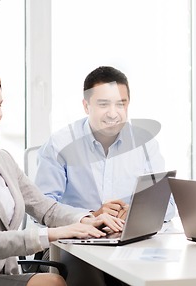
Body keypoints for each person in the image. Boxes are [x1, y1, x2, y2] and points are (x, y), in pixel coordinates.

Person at [0, 69, 124, 286]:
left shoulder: (2, 159)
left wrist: (88, 220)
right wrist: (55, 233)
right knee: (54, 283)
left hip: (8, 273)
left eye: (0, 105)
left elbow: (45, 208)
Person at [35, 66, 175, 221]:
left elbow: (167, 204)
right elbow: (42, 208)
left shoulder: (145, 144)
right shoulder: (60, 144)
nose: (113, 113)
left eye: (121, 104)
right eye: (103, 104)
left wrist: (136, 214)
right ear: (86, 106)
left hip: (130, 240)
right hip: (78, 239)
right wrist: (90, 216)